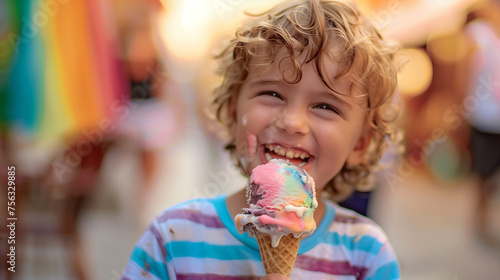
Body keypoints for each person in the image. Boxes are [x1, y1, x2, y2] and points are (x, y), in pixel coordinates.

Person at [121, 0, 401, 279]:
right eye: (273, 94)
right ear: (232, 112)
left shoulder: (366, 255)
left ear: (360, 144)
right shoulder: (171, 240)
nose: (292, 122)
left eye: (326, 107)